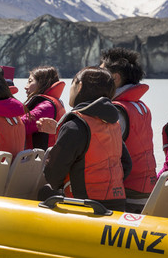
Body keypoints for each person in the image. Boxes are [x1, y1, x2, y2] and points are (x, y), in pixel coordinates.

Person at [38, 67, 132, 212]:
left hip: (86, 204)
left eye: (72, 84)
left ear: (79, 86)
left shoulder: (75, 125)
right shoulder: (113, 124)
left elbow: (53, 174)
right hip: (117, 202)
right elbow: (126, 164)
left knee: (44, 191)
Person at [100, 47, 157, 213]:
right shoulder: (140, 106)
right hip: (146, 186)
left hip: (128, 191)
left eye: (102, 72)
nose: (97, 76)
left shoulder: (116, 110)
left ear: (115, 78)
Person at [22, 66, 66, 150]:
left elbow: (21, 125)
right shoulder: (54, 102)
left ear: (42, 83)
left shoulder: (47, 106)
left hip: (42, 160)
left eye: (30, 81)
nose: (25, 87)